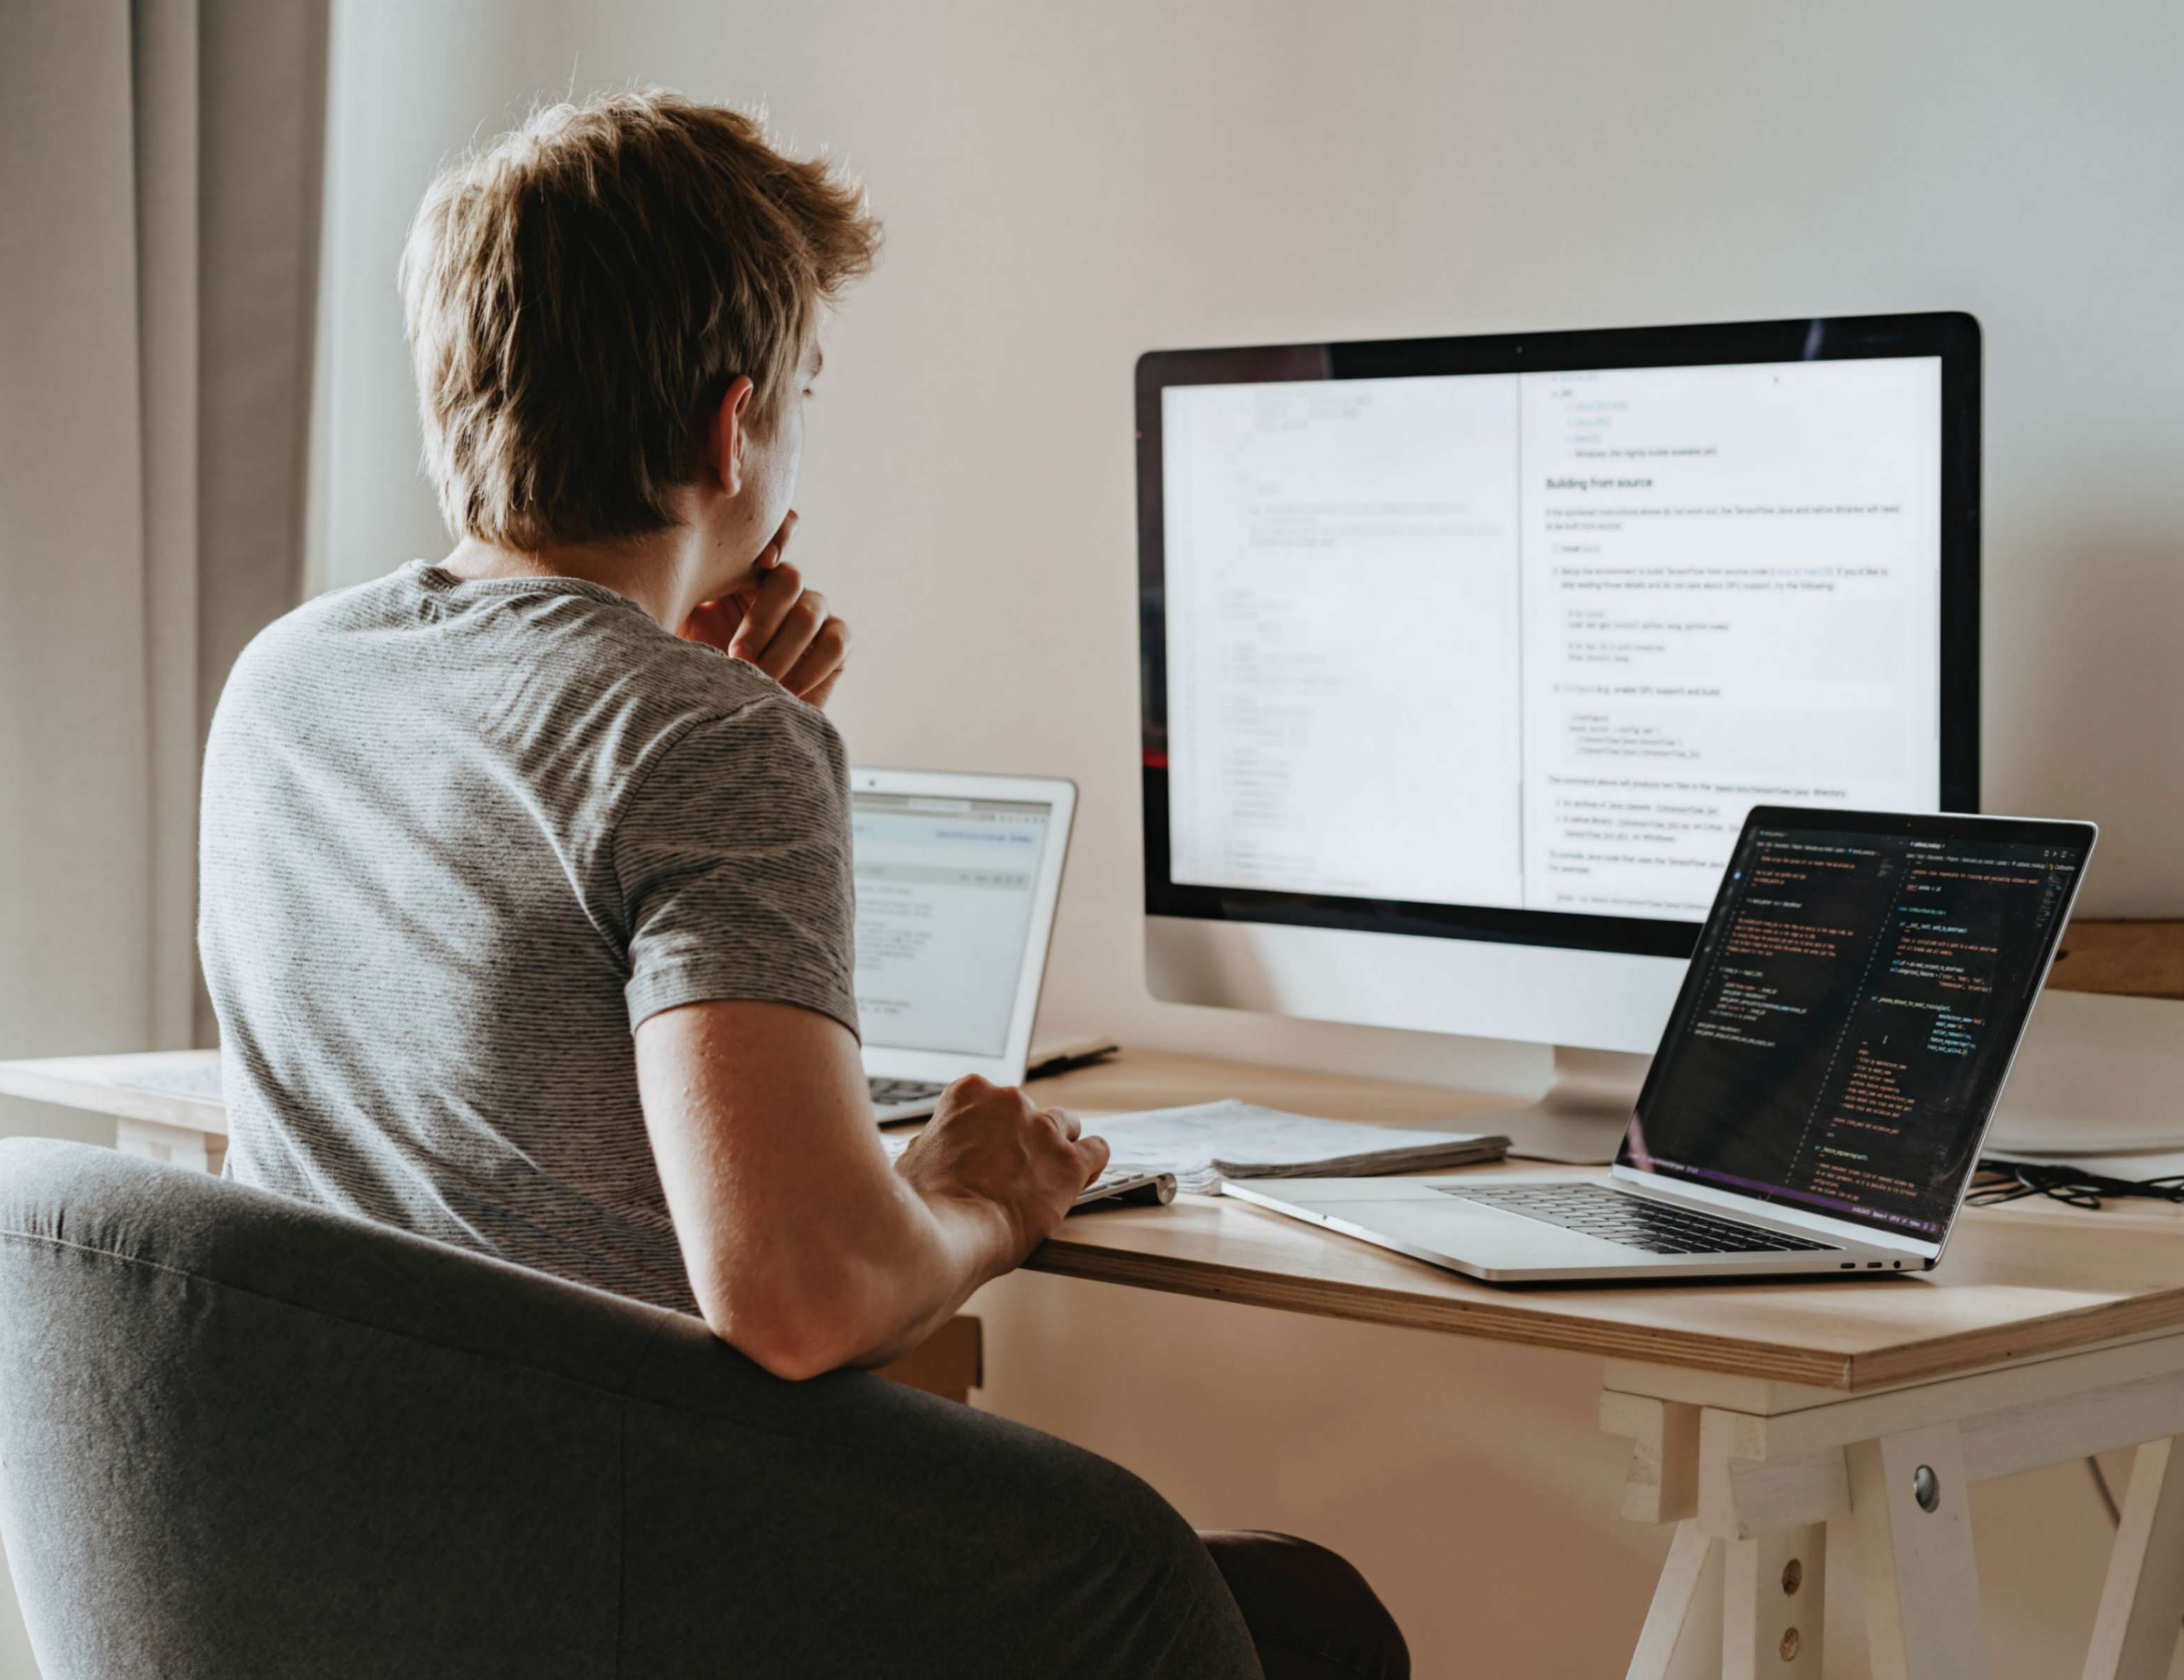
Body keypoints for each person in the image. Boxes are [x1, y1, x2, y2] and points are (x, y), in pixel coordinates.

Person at [197, 89, 1408, 1679]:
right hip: (613, 1573)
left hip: (354, 1565)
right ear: (731, 424)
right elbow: (802, 1293)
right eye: (808, 395)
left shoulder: (290, 680)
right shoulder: (703, 739)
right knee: (1304, 1617)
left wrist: (706, 706)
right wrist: (979, 1197)